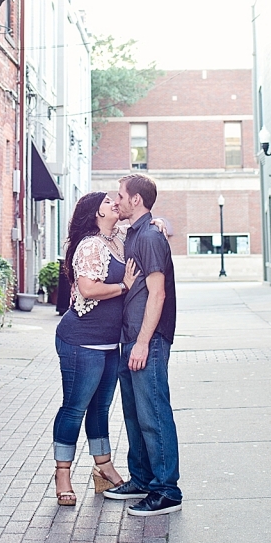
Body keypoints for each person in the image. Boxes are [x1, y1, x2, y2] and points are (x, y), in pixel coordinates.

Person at [52, 191, 139, 505]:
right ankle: (63, 474)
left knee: (100, 409)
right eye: (106, 202)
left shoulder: (116, 239)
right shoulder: (91, 245)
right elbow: (87, 289)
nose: (114, 203)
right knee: (74, 408)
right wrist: (123, 286)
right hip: (80, 340)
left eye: (115, 199)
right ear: (95, 213)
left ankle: (103, 468)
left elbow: (140, 224)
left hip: (108, 342)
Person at [104, 173, 182, 516]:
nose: (116, 200)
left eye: (120, 195)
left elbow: (158, 293)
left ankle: (167, 490)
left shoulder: (149, 236)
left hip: (146, 339)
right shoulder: (136, 232)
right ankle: (142, 478)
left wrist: (142, 343)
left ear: (136, 199)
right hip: (130, 338)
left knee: (153, 413)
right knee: (135, 415)